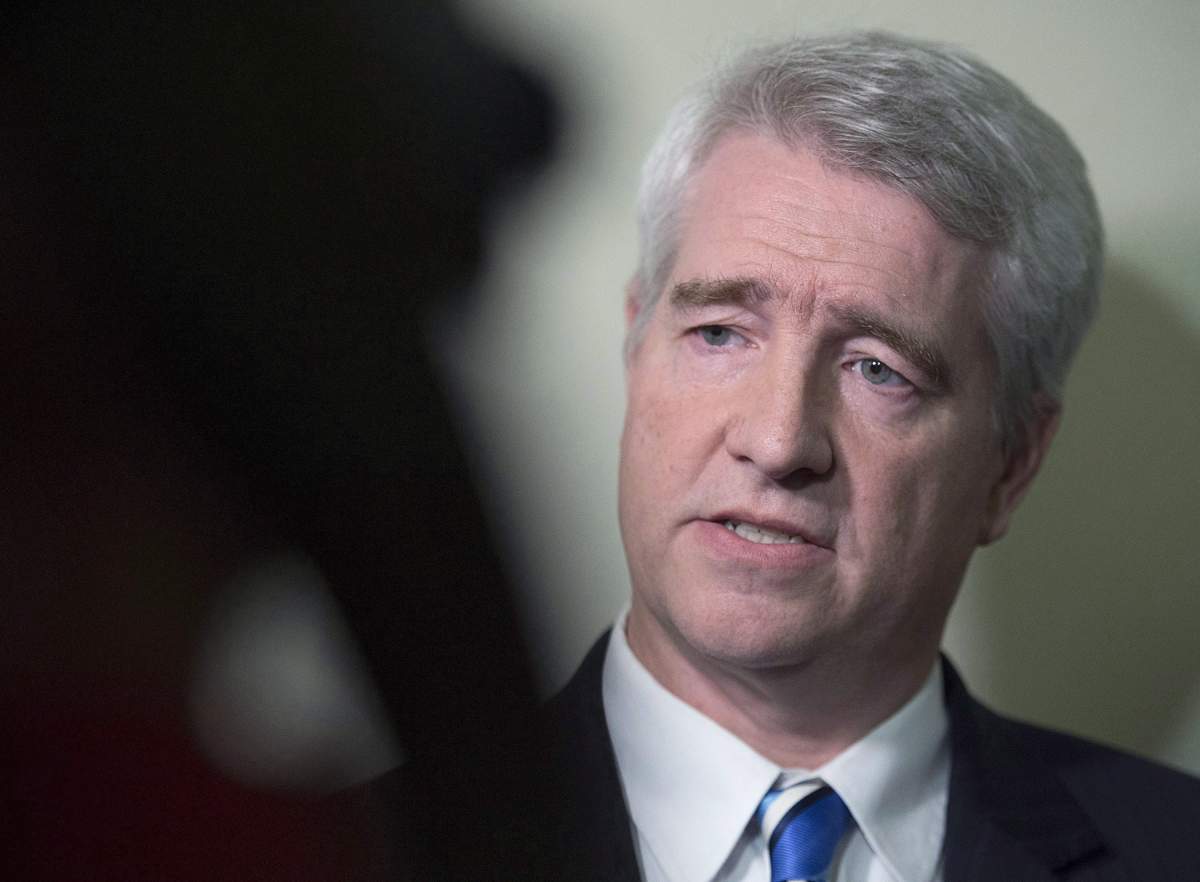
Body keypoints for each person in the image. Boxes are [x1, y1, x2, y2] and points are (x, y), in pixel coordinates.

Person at [379, 30, 1200, 882]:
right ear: (636, 346)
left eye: (878, 370)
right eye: (720, 333)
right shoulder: (353, 851)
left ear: (1011, 465)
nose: (777, 443)